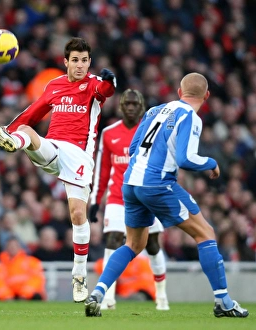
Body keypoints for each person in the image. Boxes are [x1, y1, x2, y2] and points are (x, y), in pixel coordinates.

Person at [85, 72, 249, 318]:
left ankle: (97, 292)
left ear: (180, 92)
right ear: (206, 96)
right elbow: (186, 159)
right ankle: (223, 301)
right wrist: (212, 163)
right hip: (158, 184)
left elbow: (132, 148)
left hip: (130, 183)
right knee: (206, 233)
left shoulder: (154, 111)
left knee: (133, 244)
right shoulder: (190, 117)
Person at [0, 37, 116, 303]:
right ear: (66, 62)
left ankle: (79, 275)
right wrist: (7, 130)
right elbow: (32, 112)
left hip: (79, 154)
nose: (79, 65)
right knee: (25, 130)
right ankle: (11, 141)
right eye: (75, 60)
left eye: (84, 60)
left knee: (78, 214)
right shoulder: (54, 85)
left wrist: (111, 81)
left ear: (89, 62)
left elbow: (107, 91)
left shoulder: (93, 85)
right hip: (54, 147)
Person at [89, 89, 169, 310]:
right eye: (127, 104)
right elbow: (103, 170)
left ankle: (161, 294)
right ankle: (107, 297)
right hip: (118, 197)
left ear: (142, 106)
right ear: (121, 106)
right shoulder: (109, 133)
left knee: (152, 246)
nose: (131, 107)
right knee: (113, 240)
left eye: (135, 104)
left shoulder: (152, 132)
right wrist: (96, 200)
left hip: (147, 196)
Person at [0, 236, 46, 300]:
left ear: (20, 247)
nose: (12, 248)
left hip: (28, 296)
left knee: (37, 297)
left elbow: (37, 279)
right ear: (6, 248)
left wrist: (25, 294)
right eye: (10, 246)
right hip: (9, 297)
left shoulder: (31, 262)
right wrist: (7, 296)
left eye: (15, 245)